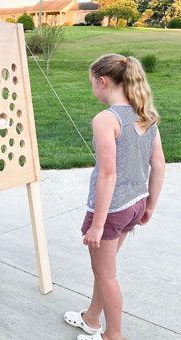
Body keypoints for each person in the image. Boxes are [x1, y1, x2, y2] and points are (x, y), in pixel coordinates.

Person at [64, 54, 165, 340]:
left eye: (91, 83)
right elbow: (158, 164)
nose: (92, 89)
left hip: (111, 211)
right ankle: (91, 319)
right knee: (103, 268)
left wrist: (97, 225)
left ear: (103, 81)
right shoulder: (145, 114)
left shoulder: (106, 119)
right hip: (134, 205)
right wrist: (150, 205)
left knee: (106, 275)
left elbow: (109, 175)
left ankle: (113, 336)